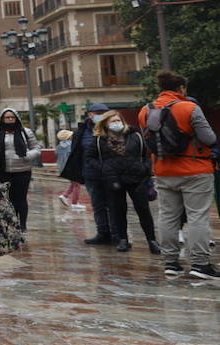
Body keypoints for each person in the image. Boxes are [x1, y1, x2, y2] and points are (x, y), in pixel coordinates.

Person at [139, 71, 218, 280]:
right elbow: (208, 138)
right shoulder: (190, 108)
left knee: (168, 216)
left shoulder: (145, 111)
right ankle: (200, 264)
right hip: (195, 169)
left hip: (164, 170)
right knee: (197, 216)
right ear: (181, 88)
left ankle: (171, 263)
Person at [84, 110, 156, 253]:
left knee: (143, 210)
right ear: (105, 124)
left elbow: (146, 154)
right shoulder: (99, 140)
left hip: (136, 178)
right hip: (114, 180)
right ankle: (123, 239)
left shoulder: (135, 136)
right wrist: (104, 168)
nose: (116, 123)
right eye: (112, 121)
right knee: (118, 210)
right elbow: (89, 158)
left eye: (118, 120)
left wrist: (145, 168)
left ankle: (152, 240)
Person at [0, 109, 42, 232]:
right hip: (3, 170)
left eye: (12, 117)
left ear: (16, 118)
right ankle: (12, 224)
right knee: (8, 199)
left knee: (21, 198)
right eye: (7, 117)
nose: (10, 119)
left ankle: (22, 225)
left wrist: (27, 156)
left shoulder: (25, 132)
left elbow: (37, 148)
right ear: (2, 119)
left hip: (23, 170)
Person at [65, 104, 112, 245]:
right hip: (90, 173)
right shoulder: (82, 130)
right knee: (98, 205)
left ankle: (118, 234)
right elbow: (76, 151)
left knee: (114, 205)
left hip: (111, 173)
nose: (100, 115)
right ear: (89, 114)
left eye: (103, 112)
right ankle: (102, 233)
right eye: (97, 113)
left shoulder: (112, 127)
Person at [55, 129, 84, 210]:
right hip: (72, 168)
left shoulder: (58, 147)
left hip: (63, 169)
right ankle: (75, 203)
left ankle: (64, 196)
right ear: (68, 137)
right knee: (77, 185)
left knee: (74, 184)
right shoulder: (72, 146)